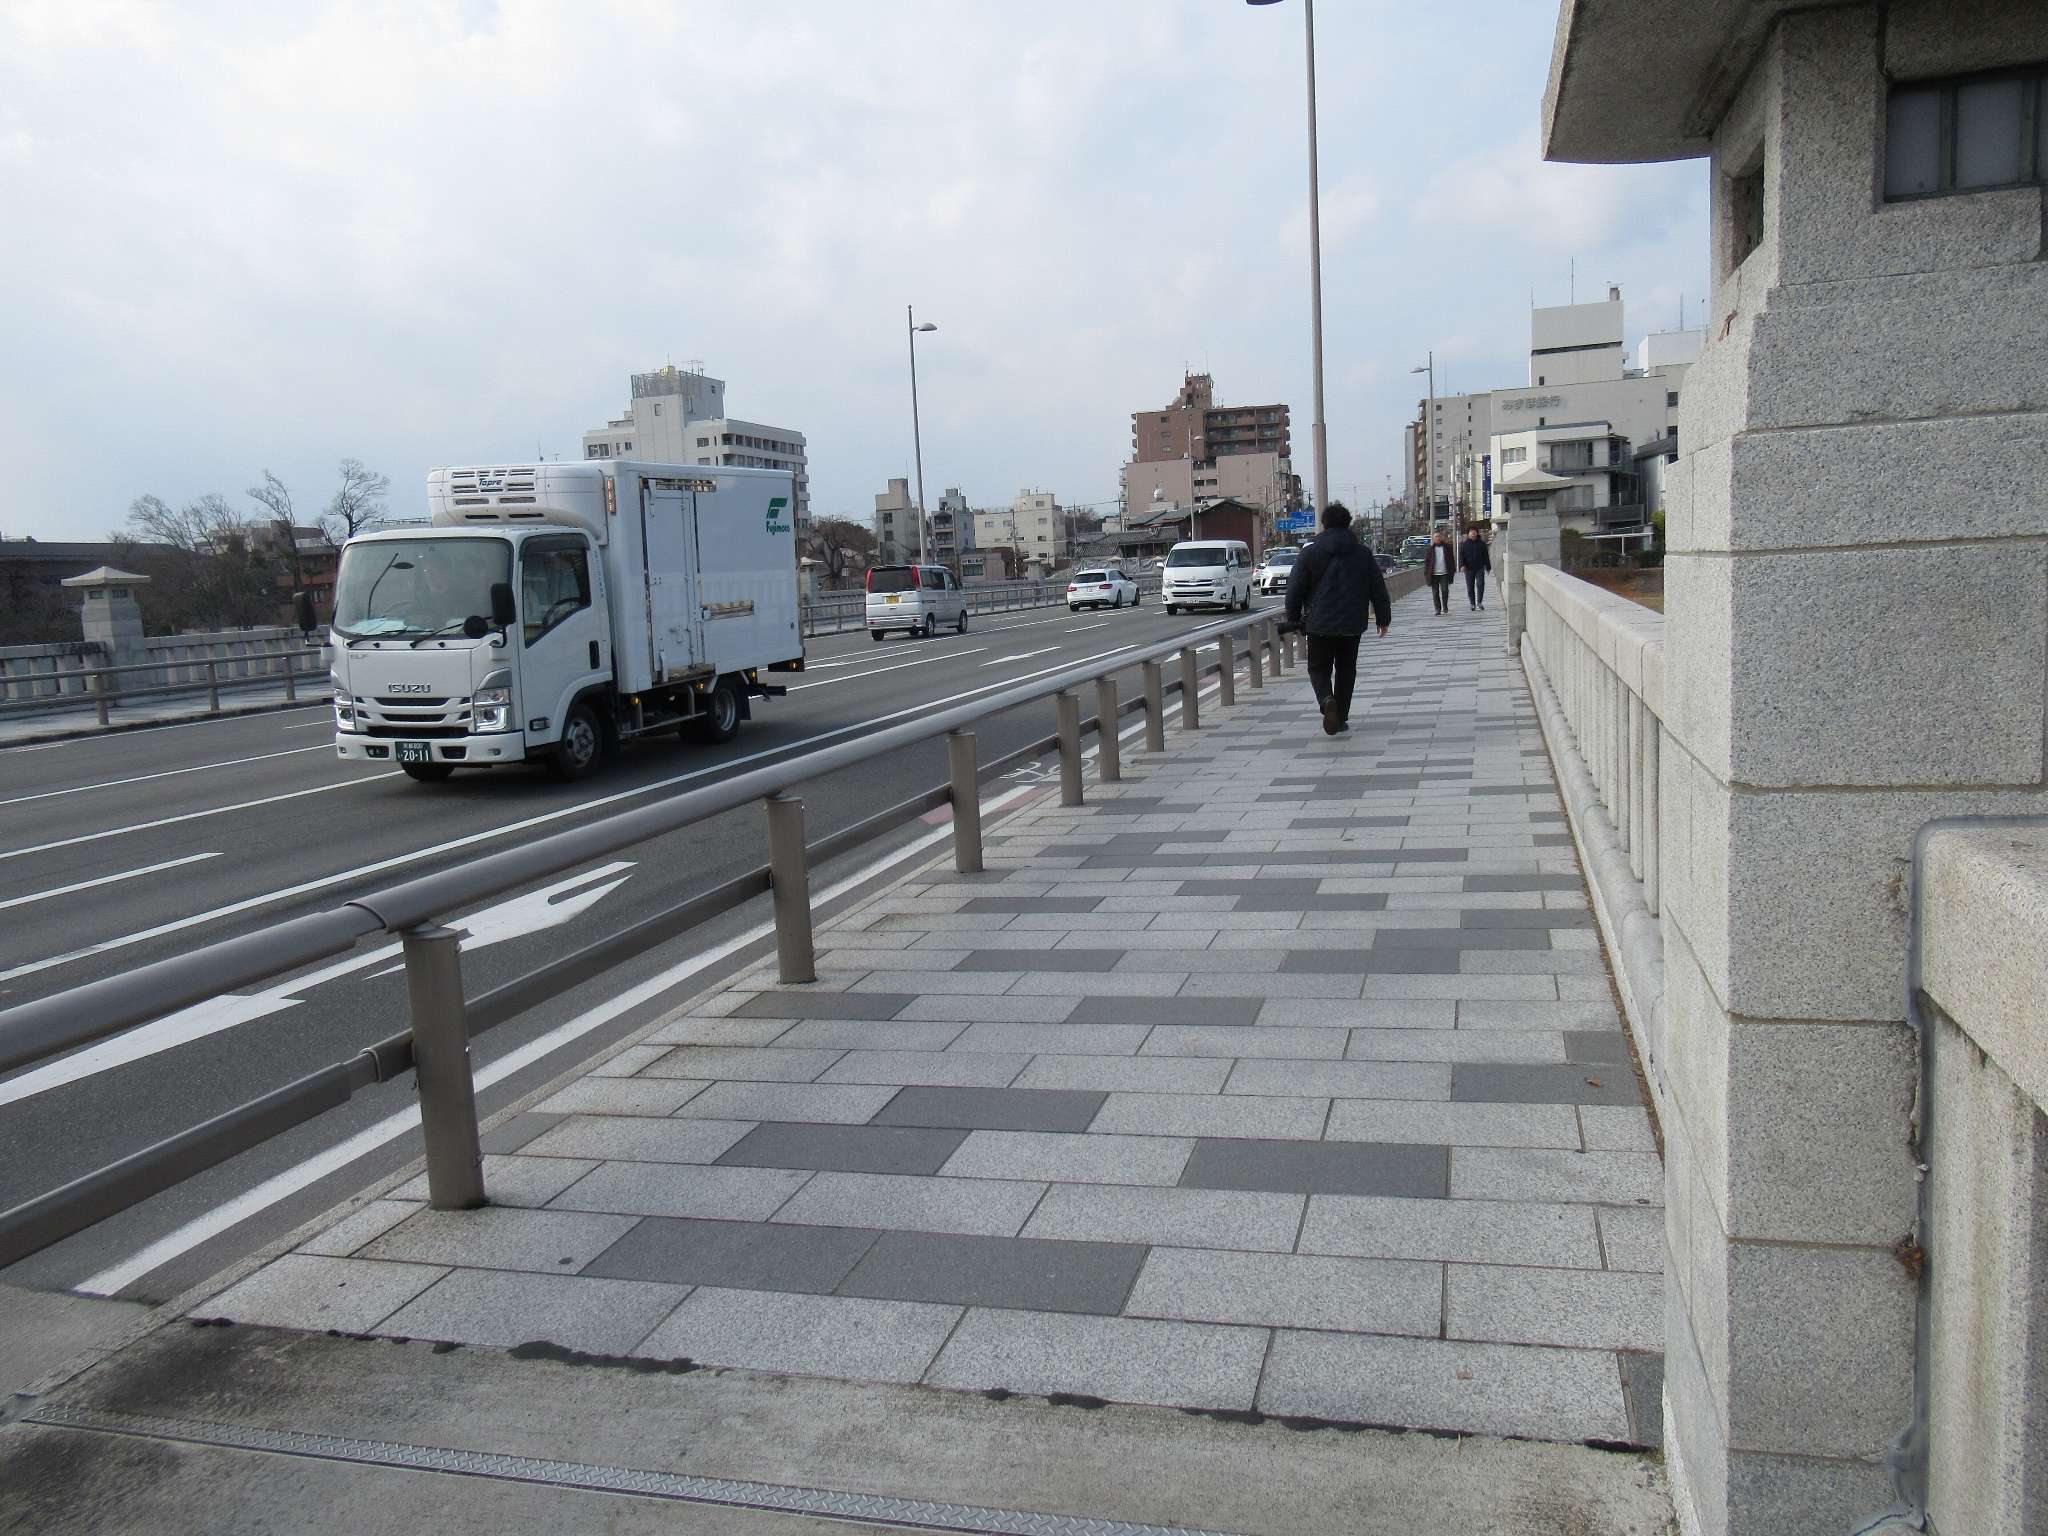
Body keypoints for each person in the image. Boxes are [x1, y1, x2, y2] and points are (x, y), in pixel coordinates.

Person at [1284, 502, 1391, 737]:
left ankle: (1326, 699)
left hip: (1319, 623)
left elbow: (1295, 588)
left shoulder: (1309, 552)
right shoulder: (1362, 553)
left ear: (1324, 524)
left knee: (1318, 668)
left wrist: (1292, 618)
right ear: (1348, 523)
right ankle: (1340, 717)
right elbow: (1377, 587)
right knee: (1346, 670)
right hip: (1352, 624)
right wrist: (1383, 618)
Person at [1459, 526, 1492, 611]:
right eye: (1471, 531)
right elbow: (1461, 556)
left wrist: (1488, 566)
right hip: (1468, 568)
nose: (1473, 533)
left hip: (1479, 568)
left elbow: (1486, 556)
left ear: (1477, 533)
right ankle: (1472, 603)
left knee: (1480, 585)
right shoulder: (1464, 544)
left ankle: (1479, 602)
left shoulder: (1482, 544)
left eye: (1474, 531)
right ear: (1468, 534)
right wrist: (1462, 565)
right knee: (1470, 586)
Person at [1426, 528, 1456, 615]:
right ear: (1433, 538)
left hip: (1444, 573)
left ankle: (1445, 606)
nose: (1437, 538)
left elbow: (1451, 560)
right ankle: (1437, 609)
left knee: (1445, 590)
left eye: (1439, 536)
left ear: (1441, 537)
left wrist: (1452, 571)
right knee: (1435, 593)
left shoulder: (1447, 548)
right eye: (1436, 537)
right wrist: (1426, 574)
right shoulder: (1430, 550)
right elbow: (1427, 563)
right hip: (1434, 574)